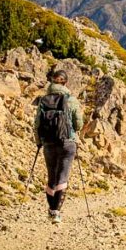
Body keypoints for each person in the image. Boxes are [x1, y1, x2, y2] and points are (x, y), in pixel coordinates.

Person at [34, 70, 82, 223]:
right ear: (65, 83)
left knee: (52, 177)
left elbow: (37, 124)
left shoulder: (43, 100)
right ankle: (56, 212)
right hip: (67, 142)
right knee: (63, 176)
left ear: (52, 82)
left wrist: (38, 142)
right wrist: (73, 131)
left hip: (48, 142)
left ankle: (51, 211)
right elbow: (79, 123)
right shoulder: (71, 100)